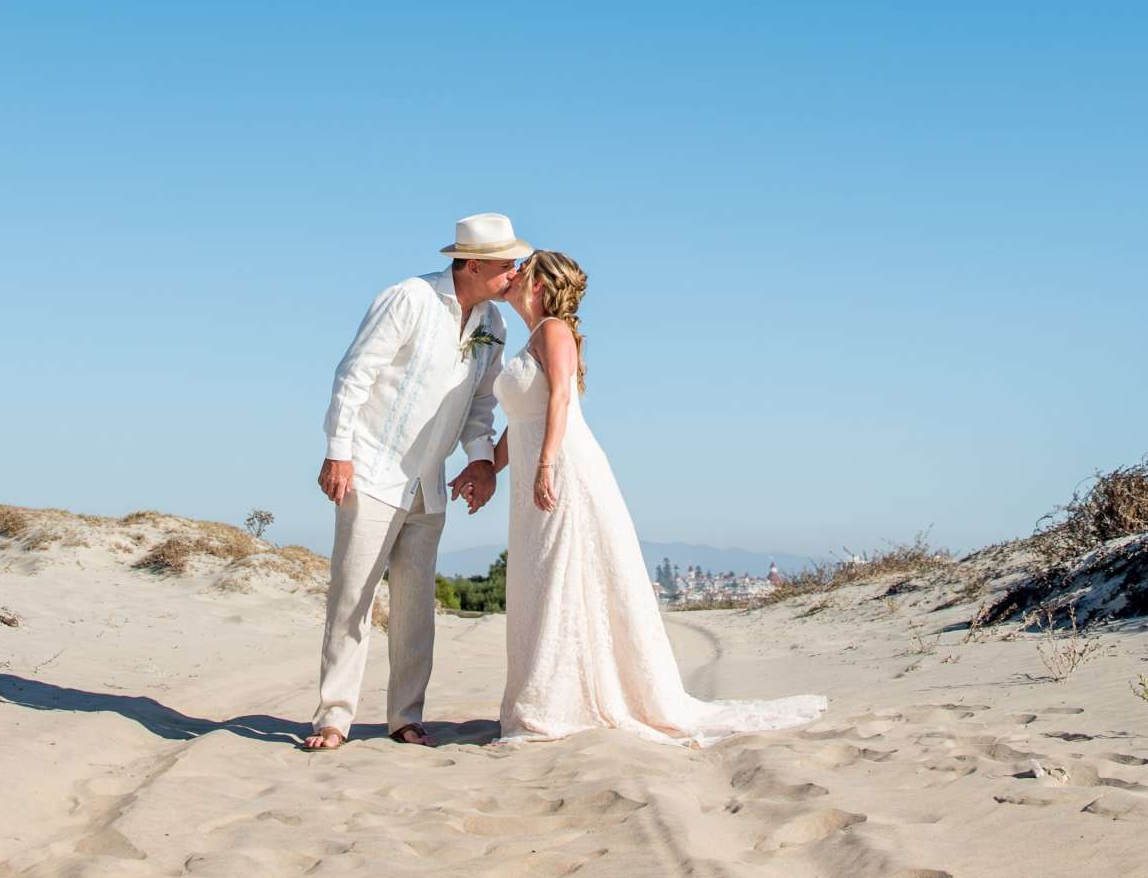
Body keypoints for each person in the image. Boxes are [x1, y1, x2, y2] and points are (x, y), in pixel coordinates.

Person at [491, 251, 827, 745]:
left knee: (560, 577)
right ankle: (552, 696)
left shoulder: (553, 331)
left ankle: (561, 703)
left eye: (524, 267)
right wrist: (487, 469)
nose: (514, 272)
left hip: (563, 469)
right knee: (541, 580)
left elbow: (561, 398)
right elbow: (522, 418)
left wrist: (544, 463)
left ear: (539, 283)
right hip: (532, 471)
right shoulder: (533, 337)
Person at [303, 213, 526, 750]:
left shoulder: (494, 324)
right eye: (505, 265)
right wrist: (338, 452)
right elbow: (353, 373)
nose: (515, 274)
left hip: (430, 480)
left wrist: (478, 462)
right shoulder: (408, 298)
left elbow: (480, 405)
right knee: (352, 598)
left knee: (415, 604)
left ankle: (405, 715)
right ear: (472, 264)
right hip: (374, 468)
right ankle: (333, 717)